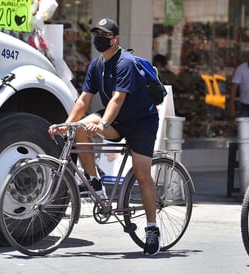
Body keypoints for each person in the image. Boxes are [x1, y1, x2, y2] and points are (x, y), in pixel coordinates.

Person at [48, 18, 161, 256]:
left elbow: (118, 99)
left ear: (115, 39)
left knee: (142, 175)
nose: (99, 38)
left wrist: (104, 124)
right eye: (96, 33)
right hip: (118, 121)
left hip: (141, 123)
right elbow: (83, 100)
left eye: (104, 34)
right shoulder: (96, 65)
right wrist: (65, 124)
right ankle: (94, 181)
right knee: (79, 126)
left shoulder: (125, 63)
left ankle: (152, 229)